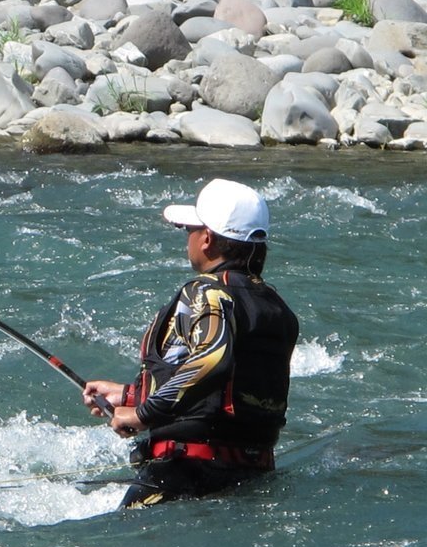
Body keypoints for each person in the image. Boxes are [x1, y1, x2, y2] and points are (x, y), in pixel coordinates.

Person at [83, 179, 299, 508]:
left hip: (186, 472)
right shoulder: (276, 306)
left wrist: (142, 414)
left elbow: (212, 361)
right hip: (250, 481)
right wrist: (128, 394)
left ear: (208, 240)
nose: (188, 239)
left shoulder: (205, 293)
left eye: (190, 231)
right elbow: (224, 387)